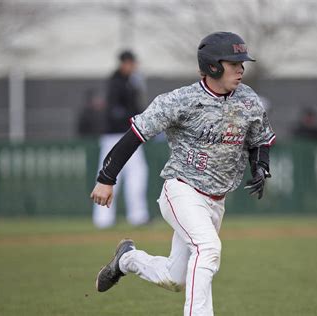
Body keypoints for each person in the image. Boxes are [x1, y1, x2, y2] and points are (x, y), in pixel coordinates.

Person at [91, 32, 275, 316]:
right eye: (233, 62)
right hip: (182, 190)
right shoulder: (181, 100)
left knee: (174, 278)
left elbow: (260, 138)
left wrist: (260, 165)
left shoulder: (248, 98)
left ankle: (126, 260)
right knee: (208, 249)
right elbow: (135, 135)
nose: (241, 69)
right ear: (213, 65)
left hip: (215, 201)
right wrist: (106, 178)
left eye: (242, 63)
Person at [93, 50, 150, 229]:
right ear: (124, 63)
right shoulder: (116, 83)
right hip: (116, 135)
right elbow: (116, 112)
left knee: (137, 176)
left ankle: (137, 216)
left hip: (129, 134)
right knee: (108, 175)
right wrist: (136, 118)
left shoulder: (130, 82)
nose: (133, 67)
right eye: (130, 63)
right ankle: (103, 218)